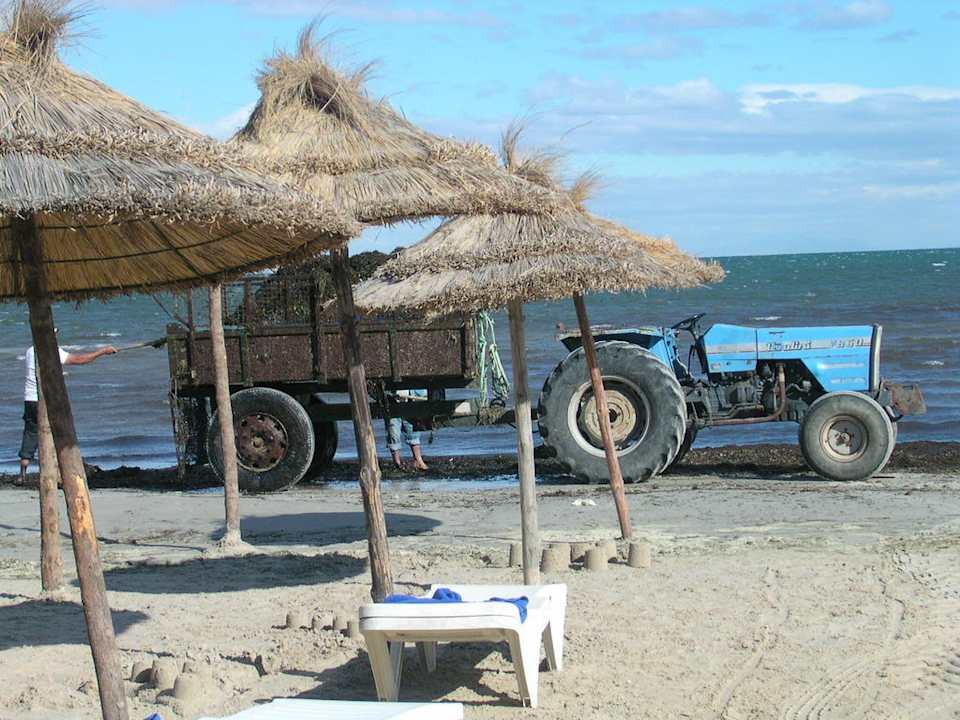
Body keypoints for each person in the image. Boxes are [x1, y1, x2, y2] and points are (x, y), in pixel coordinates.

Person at [17, 336, 118, 486]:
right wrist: (102, 351)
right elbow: (79, 360)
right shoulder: (52, 351)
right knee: (57, 432)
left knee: (31, 432)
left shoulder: (30, 351)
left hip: (29, 398)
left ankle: (22, 474)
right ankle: (58, 472)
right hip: (45, 399)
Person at [385, 389, 428, 471]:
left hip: (410, 397)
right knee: (393, 431)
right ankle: (397, 463)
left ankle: (418, 460)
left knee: (412, 429)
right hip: (391, 398)